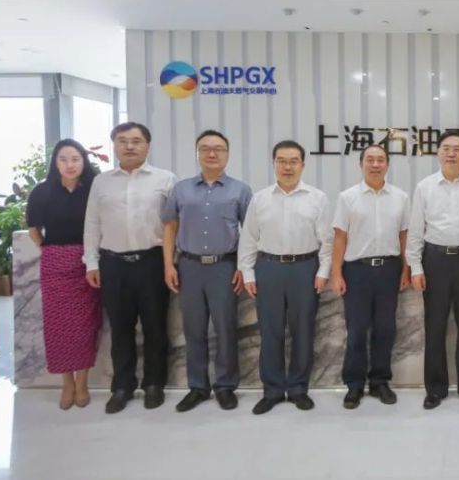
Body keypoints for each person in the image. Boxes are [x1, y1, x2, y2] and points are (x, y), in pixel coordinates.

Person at [83, 122, 177, 414]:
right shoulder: (101, 182)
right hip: (113, 264)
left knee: (155, 327)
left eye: (136, 141)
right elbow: (92, 223)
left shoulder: (165, 179)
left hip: (152, 262)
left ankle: (154, 384)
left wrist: (171, 263)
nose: (130, 146)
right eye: (123, 141)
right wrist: (91, 262)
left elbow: (174, 225)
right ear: (114, 146)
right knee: (120, 328)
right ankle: (122, 386)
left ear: (148, 146)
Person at [238, 140, 333, 415]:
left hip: (305, 268)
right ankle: (273, 390)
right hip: (269, 268)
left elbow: (327, 241)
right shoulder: (260, 199)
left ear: (303, 164)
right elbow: (248, 239)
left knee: (304, 331)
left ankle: (299, 389)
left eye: (293, 161)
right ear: (274, 164)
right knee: (270, 331)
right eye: (282, 161)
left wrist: (323, 271)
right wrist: (248, 272)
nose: (287, 166)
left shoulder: (317, 198)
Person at [161, 130, 252, 412]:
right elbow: (170, 227)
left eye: (218, 149)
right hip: (188, 266)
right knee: (193, 330)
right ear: (198, 153)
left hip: (224, 267)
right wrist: (168, 264)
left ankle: (225, 386)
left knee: (225, 329)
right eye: (205, 148)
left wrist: (243, 266)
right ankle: (198, 387)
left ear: (227, 154)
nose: (212, 153)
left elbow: (250, 232)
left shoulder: (241, 190)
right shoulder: (181, 189)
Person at [406, 130, 459, 410]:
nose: (451, 153)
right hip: (435, 261)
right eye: (446, 148)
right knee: (435, 325)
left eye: (457, 148)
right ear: (438, 152)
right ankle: (435, 389)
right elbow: (416, 230)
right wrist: (416, 267)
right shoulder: (425, 187)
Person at [329, 144, 411, 409]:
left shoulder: (400, 197)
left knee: (385, 329)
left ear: (387, 164)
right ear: (361, 164)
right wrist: (336, 273)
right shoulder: (347, 197)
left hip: (389, 269)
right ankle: (354, 385)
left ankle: (379, 382)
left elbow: (404, 236)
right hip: (357, 271)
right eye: (370, 160)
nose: (375, 164)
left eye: (380, 160)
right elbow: (340, 237)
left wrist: (406, 268)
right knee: (356, 330)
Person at [26, 139, 101, 410]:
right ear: (55, 163)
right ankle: (66, 382)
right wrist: (50, 250)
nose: (70, 165)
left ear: (83, 161)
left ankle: (83, 382)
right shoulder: (42, 192)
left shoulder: (94, 189)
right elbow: (34, 229)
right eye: (63, 159)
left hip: (88, 262)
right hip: (54, 262)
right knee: (58, 325)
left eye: (75, 159)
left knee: (85, 324)